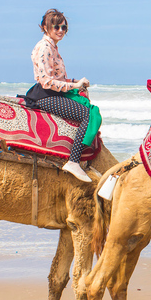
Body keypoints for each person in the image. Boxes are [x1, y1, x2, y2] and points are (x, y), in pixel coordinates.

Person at [24, 9, 94, 182]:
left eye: (64, 27)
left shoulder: (53, 47)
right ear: (45, 27)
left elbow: (57, 78)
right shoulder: (45, 48)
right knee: (87, 114)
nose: (61, 30)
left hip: (51, 91)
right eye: (56, 26)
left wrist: (75, 82)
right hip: (46, 95)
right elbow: (46, 81)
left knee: (89, 107)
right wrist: (74, 85)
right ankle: (74, 161)